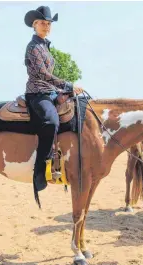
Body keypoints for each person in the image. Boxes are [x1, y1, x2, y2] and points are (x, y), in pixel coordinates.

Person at [24, 6, 83, 192]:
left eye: (49, 23)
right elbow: (42, 74)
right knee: (50, 121)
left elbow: (50, 75)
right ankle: (40, 170)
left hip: (50, 91)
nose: (46, 26)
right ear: (34, 25)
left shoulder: (45, 46)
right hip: (37, 93)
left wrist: (65, 90)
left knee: (77, 107)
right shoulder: (33, 47)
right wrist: (67, 85)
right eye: (43, 23)